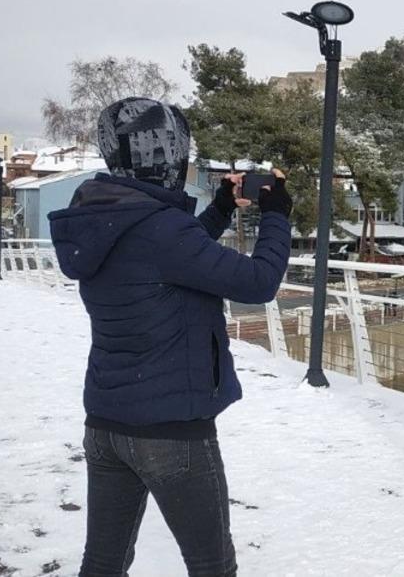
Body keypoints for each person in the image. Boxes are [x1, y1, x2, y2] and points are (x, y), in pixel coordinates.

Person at [48, 97, 292, 576]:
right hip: (171, 431)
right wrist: (276, 215)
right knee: (211, 565)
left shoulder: (103, 220)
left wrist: (221, 208)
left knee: (103, 562)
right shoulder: (163, 230)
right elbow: (258, 282)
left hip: (106, 424)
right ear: (173, 153)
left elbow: (173, 257)